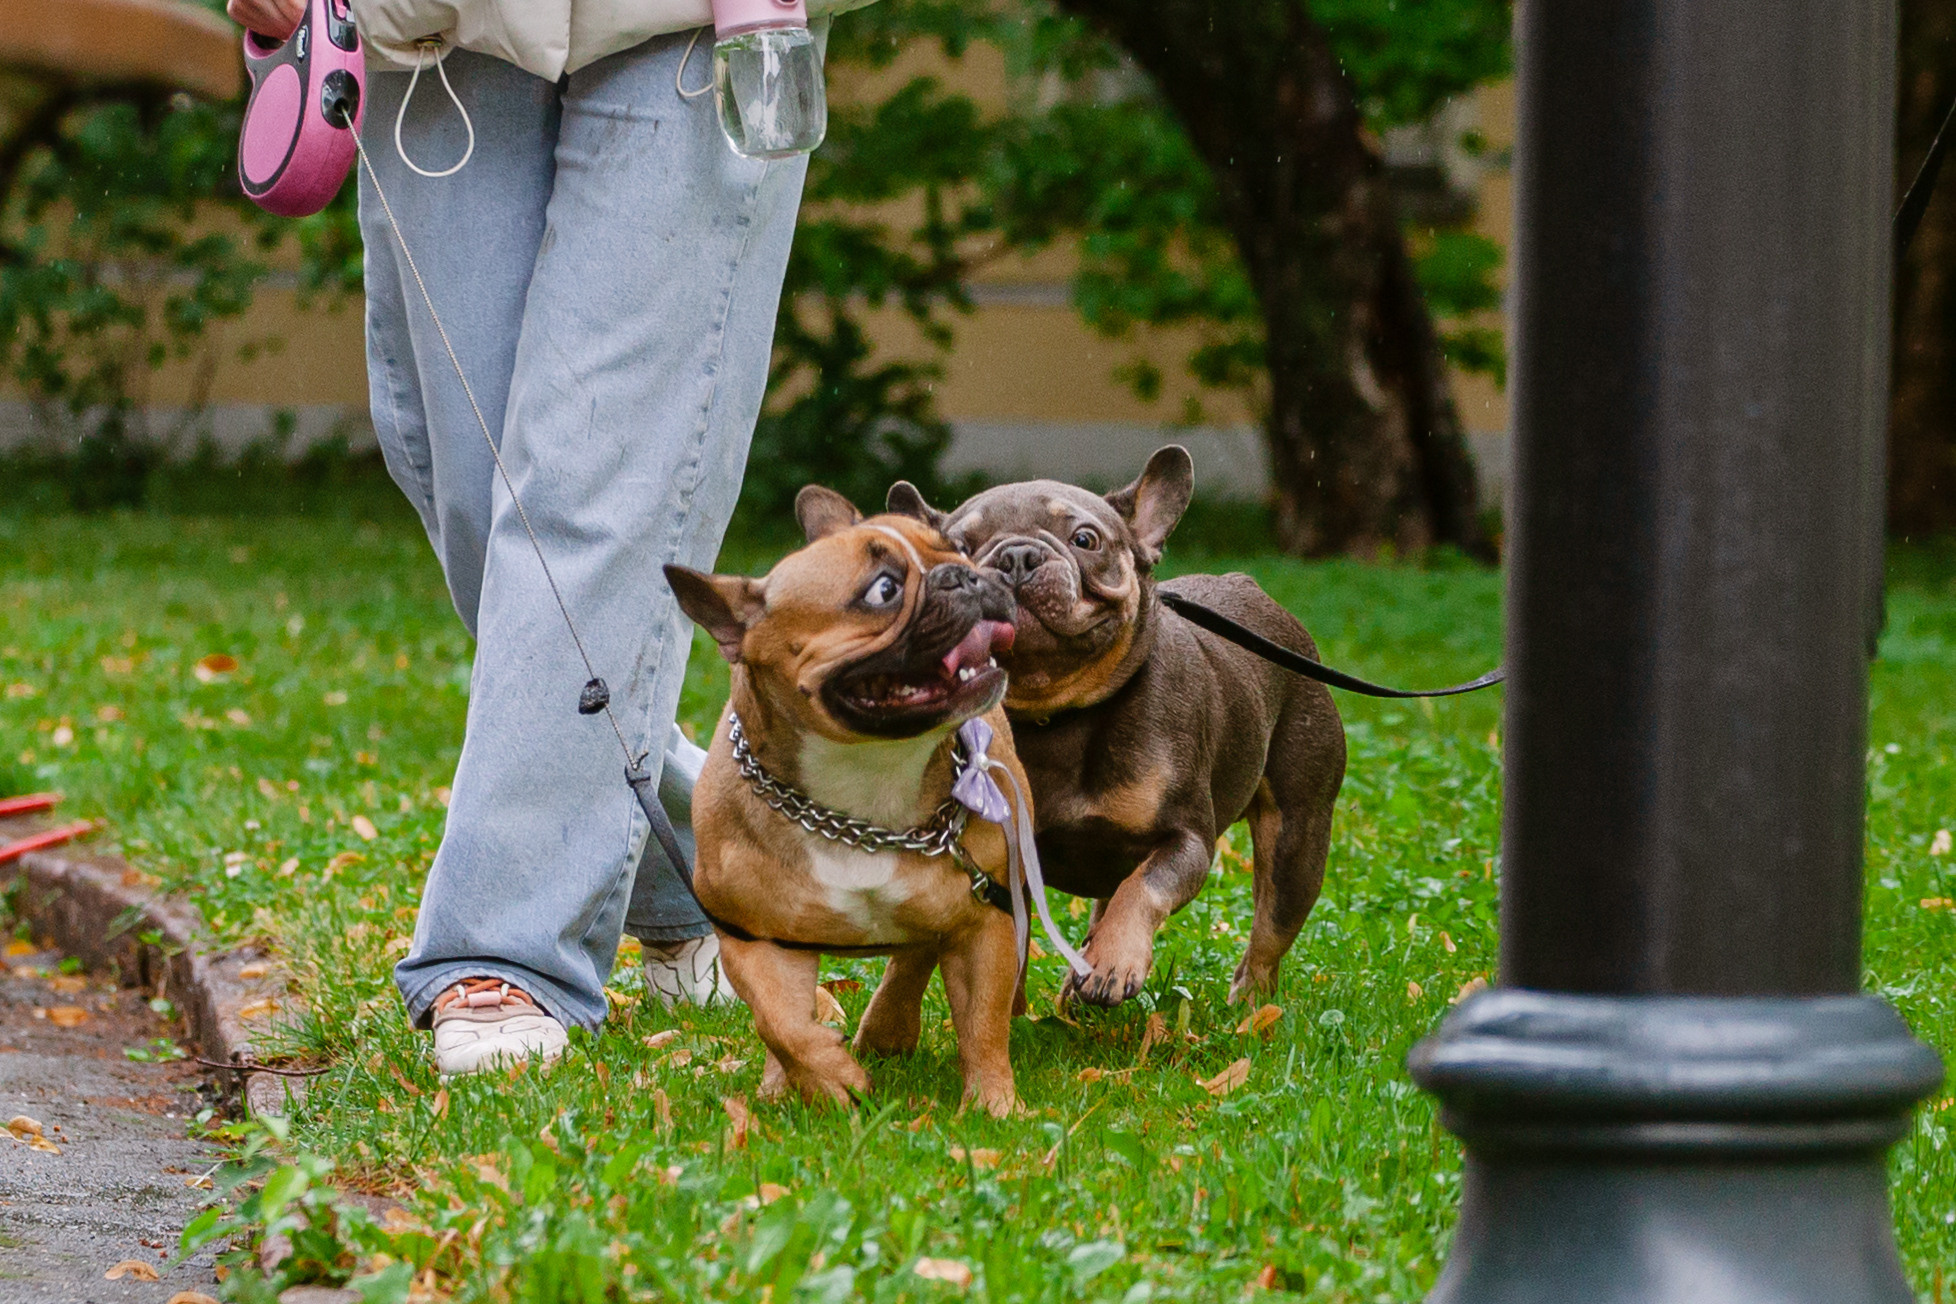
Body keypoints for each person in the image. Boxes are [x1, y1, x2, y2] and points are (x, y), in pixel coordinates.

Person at [227, 0, 854, 1075]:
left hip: (689, 24)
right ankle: (695, 863)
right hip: (426, 24)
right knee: (470, 479)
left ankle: (500, 948)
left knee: (592, 489)